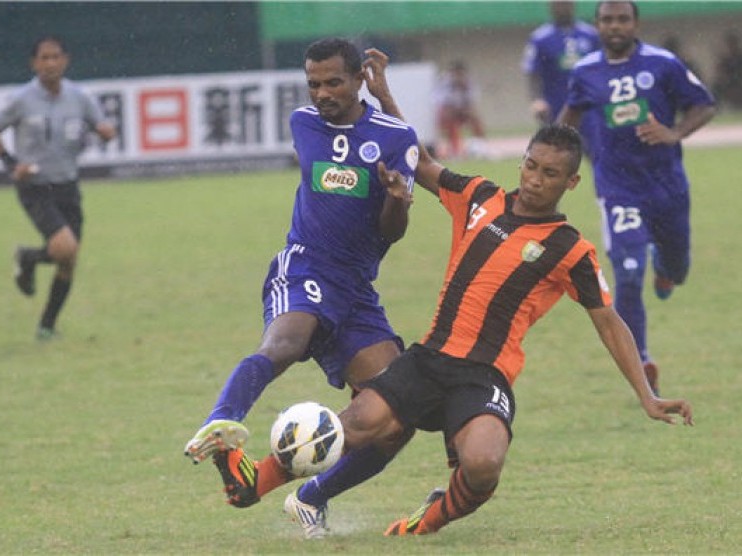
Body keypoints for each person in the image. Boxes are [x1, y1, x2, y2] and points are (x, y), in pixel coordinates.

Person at [327, 50, 692, 537]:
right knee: (361, 425)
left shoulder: (571, 249)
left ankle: (431, 517)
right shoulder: (480, 196)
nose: (536, 180)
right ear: (522, 161)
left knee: (479, 463)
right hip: (433, 357)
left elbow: (608, 320)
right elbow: (425, 163)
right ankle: (277, 481)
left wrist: (646, 396)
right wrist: (385, 97)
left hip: (485, 372)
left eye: (550, 174)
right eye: (531, 166)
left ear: (571, 182)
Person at [183, 38, 419, 538]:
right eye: (314, 83)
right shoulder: (302, 123)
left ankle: (291, 491)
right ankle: (223, 422)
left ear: (360, 79)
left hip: (356, 290)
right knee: (286, 343)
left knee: (397, 418)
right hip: (305, 266)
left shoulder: (395, 137)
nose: (322, 93)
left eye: (334, 81)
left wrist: (398, 199)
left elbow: (392, 231)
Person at [557, 1, 715, 395]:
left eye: (622, 19)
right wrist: (552, 159)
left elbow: (704, 104)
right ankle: (641, 361)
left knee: (677, 268)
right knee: (627, 271)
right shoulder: (585, 71)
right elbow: (567, 121)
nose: (615, 26)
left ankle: (666, 267)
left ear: (635, 23)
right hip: (617, 189)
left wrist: (674, 133)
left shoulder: (663, 64)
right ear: (596, 25)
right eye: (607, 19)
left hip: (667, 188)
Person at [0, 36, 116, 340]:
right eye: (44, 58)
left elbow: (101, 127)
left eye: (56, 57)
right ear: (34, 63)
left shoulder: (79, 98)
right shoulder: (21, 100)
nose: (50, 63)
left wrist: (107, 132)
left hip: (68, 185)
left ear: (65, 60)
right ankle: (28, 259)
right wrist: (10, 163)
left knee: (68, 262)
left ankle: (46, 325)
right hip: (35, 186)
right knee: (65, 248)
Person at [521, 1, 600, 157]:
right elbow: (533, 72)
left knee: (598, 155)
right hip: (555, 108)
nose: (562, 7)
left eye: (565, 3)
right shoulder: (540, 38)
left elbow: (603, 68)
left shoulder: (591, 34)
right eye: (558, 3)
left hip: (589, 109)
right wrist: (537, 100)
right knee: (556, 158)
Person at [432, 60, 490, 160]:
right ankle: (455, 150)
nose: (459, 77)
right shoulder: (444, 83)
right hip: (448, 111)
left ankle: (480, 147)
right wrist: (453, 111)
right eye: (456, 74)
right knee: (450, 121)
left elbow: (472, 102)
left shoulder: (468, 83)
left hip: (462, 110)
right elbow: (441, 103)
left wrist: (468, 112)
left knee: (476, 119)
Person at [713, 30, 742, 110]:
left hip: (739, 83)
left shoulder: (740, 58)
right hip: (729, 85)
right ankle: (717, 109)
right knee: (716, 87)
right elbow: (721, 73)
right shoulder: (725, 60)